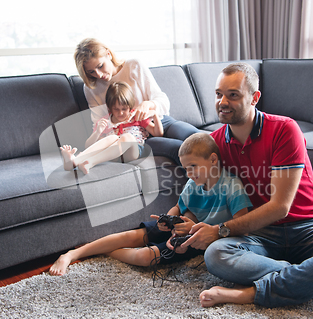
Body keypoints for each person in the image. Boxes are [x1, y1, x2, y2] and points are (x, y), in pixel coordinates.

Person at [176, 63, 313, 308]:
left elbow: (280, 207)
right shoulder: (214, 145)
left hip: (306, 227)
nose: (222, 102)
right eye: (218, 94)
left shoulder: (284, 129)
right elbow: (202, 189)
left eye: (233, 95)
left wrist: (220, 230)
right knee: (216, 255)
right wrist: (187, 221)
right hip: (258, 235)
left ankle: (252, 294)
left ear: (254, 98)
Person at [49, 133, 253, 276]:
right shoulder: (192, 183)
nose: (189, 174)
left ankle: (98, 250)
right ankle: (72, 254)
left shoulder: (231, 185)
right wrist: (168, 219)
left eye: (193, 167)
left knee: (146, 257)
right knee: (131, 236)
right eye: (185, 169)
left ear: (213, 160)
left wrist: (194, 229)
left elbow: (241, 225)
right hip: (182, 228)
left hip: (199, 239)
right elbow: (178, 208)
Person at [74, 37, 200, 165]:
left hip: (160, 120)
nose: (99, 75)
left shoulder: (133, 65)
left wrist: (148, 105)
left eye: (100, 66)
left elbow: (162, 100)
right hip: (137, 135)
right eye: (91, 72)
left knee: (197, 137)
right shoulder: (91, 88)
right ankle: (199, 184)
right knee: (181, 149)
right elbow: (100, 124)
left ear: (108, 54)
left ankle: (218, 179)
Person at [60, 81, 163, 174]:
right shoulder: (105, 122)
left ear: (130, 106)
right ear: (109, 108)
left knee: (126, 137)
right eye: (116, 109)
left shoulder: (136, 116)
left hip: (133, 151)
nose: (121, 113)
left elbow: (158, 133)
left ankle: (90, 162)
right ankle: (74, 161)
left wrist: (154, 115)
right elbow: (88, 145)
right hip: (112, 155)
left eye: (124, 109)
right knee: (111, 138)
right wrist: (97, 132)